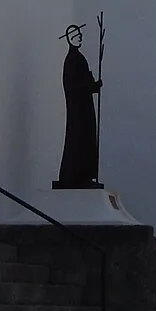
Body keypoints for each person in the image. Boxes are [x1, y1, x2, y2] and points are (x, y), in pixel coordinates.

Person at [55, 24, 102, 188]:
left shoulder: (79, 58)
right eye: (76, 35)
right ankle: (75, 173)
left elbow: (84, 81)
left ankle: (84, 173)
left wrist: (93, 85)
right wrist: (91, 86)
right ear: (69, 39)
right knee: (78, 139)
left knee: (85, 139)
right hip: (78, 109)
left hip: (84, 106)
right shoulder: (72, 60)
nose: (80, 37)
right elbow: (74, 84)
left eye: (80, 34)